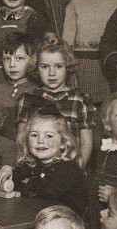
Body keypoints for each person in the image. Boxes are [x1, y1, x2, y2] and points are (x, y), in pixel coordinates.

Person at [18, 34, 96, 168]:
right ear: (36, 69)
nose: (52, 73)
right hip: (35, 170)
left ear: (68, 66)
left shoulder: (81, 101)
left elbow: (86, 144)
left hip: (69, 170)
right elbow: (21, 139)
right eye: (44, 67)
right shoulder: (28, 99)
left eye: (58, 66)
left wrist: (76, 170)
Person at [12, 106, 87, 217]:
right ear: (26, 141)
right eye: (34, 135)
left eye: (49, 136)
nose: (41, 141)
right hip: (41, 219)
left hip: (67, 225)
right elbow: (16, 181)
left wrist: (29, 182)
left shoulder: (68, 168)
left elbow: (48, 192)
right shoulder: (30, 165)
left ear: (62, 142)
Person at [0, 32, 38, 141]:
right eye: (7, 59)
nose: (12, 65)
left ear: (33, 60)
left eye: (19, 58)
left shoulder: (36, 91)